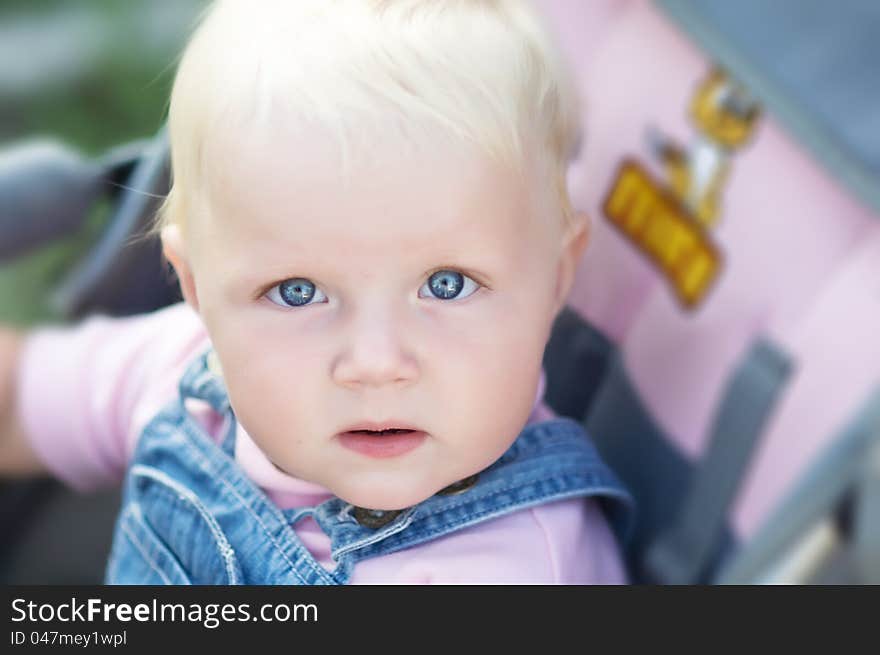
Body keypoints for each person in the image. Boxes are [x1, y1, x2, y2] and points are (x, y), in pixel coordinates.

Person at [0, 0, 632, 584]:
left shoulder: (506, 569)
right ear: (197, 287)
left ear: (554, 277)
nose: (377, 364)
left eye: (447, 285)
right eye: (298, 293)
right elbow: (19, 401)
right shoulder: (193, 385)